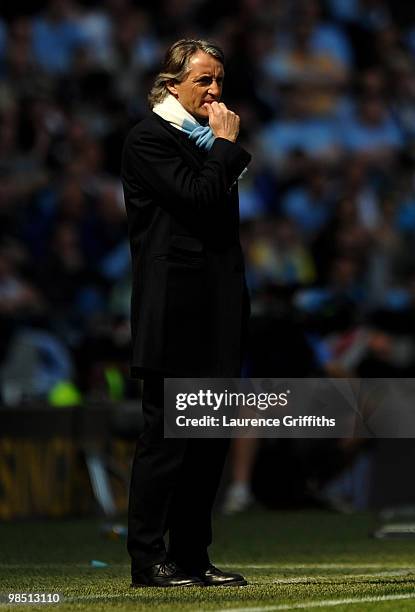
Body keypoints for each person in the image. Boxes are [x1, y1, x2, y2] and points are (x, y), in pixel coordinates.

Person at [121, 38, 251, 588]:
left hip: (216, 310)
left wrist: (219, 151)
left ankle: (193, 556)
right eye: (204, 80)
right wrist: (223, 148)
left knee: (208, 440)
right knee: (168, 442)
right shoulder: (148, 139)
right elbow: (197, 199)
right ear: (171, 84)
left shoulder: (200, 141)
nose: (215, 90)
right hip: (174, 311)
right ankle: (149, 560)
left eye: (219, 79)